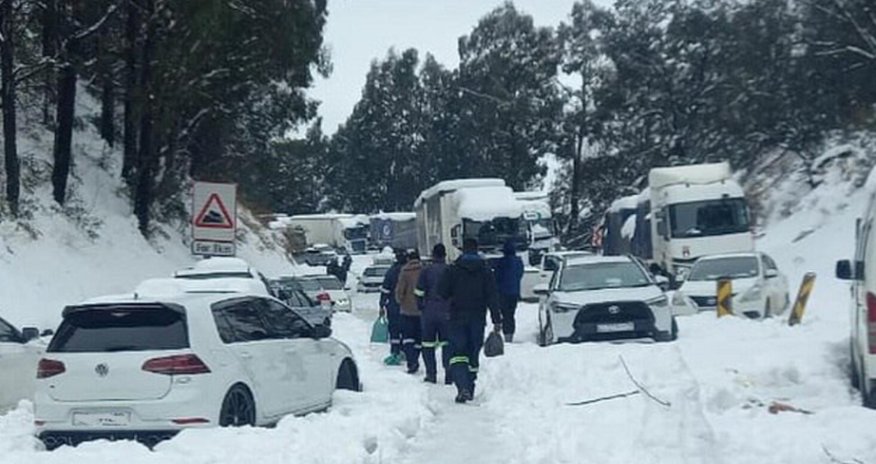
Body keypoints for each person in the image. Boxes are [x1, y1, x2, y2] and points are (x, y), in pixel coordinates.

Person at [438, 238, 501, 403]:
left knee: (458, 353)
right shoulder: (486, 270)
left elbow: (442, 291)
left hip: (457, 317)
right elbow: (492, 296)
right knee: (473, 352)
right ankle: (470, 385)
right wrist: (497, 319)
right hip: (478, 318)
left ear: (463, 250)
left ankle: (462, 387)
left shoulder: (453, 269)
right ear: (477, 249)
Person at [415, 244, 452, 385]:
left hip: (429, 312)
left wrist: (421, 306)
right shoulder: (450, 270)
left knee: (428, 344)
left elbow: (419, 291)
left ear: (433, 255)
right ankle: (449, 374)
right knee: (447, 344)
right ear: (444, 255)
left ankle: (431, 374)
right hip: (447, 313)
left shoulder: (426, 271)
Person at [395, 249, 424, 374]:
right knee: (419, 339)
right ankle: (416, 358)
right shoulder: (424, 270)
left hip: (407, 311)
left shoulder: (404, 272)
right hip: (422, 310)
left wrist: (399, 301)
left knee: (407, 338)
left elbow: (399, 291)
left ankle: (411, 361)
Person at [492, 240, 524, 343]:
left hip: (502, 292)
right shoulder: (519, 262)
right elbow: (520, 274)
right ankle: (510, 335)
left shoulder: (501, 262)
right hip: (514, 292)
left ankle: (506, 333)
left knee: (505, 314)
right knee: (510, 314)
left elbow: (496, 277)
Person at [380, 249, 408, 365]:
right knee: (407, 330)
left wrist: (381, 305)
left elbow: (385, 290)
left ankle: (395, 351)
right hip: (408, 307)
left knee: (394, 331)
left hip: (393, 306)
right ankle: (406, 351)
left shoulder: (391, 272)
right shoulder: (408, 271)